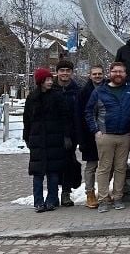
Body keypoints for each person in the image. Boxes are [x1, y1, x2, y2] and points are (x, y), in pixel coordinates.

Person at [86, 62, 130, 213]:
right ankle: (102, 199)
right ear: (110, 73)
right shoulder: (100, 91)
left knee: (121, 168)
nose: (118, 74)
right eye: (115, 71)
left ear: (125, 74)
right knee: (104, 168)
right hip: (105, 135)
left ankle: (118, 197)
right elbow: (89, 112)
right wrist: (95, 130)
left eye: (121, 71)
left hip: (124, 135)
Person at [24, 68, 72, 213]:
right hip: (37, 140)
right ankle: (38, 201)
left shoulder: (57, 97)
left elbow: (65, 118)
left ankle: (52, 200)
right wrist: (27, 137)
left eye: (51, 79)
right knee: (37, 173)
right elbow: (27, 120)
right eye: (47, 80)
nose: (50, 82)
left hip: (54, 139)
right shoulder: (32, 98)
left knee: (53, 172)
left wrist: (66, 136)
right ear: (40, 82)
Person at [52, 59, 81, 207]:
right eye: (62, 70)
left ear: (71, 72)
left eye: (67, 70)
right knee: (53, 164)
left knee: (68, 163)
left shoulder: (76, 90)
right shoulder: (50, 88)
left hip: (71, 133)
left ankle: (66, 192)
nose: (64, 73)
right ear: (57, 72)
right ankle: (52, 193)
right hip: (53, 133)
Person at [76, 65, 106, 209]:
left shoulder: (109, 88)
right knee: (91, 166)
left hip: (106, 133)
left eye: (100, 74)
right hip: (89, 135)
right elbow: (80, 116)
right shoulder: (83, 92)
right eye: (95, 74)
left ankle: (104, 192)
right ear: (90, 75)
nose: (97, 76)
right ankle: (90, 193)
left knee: (106, 166)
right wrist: (81, 139)